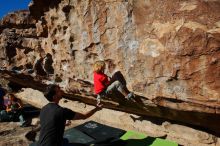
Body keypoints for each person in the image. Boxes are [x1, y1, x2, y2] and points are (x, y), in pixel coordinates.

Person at [37, 84, 102, 146]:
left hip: (41, 144)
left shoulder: (43, 109)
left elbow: (48, 125)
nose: (61, 91)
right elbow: (84, 116)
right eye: (58, 91)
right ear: (54, 97)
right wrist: (96, 109)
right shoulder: (61, 111)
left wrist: (63, 123)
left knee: (65, 140)